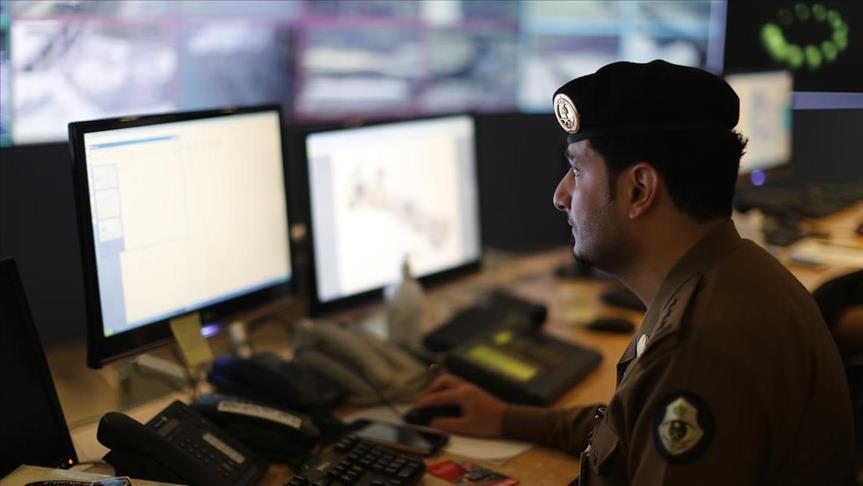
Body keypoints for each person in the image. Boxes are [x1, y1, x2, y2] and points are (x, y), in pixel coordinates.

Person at [414, 60, 855, 485]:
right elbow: (629, 430)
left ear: (639, 190)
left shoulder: (698, 348)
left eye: (577, 170)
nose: (560, 196)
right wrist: (506, 418)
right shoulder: (728, 275)